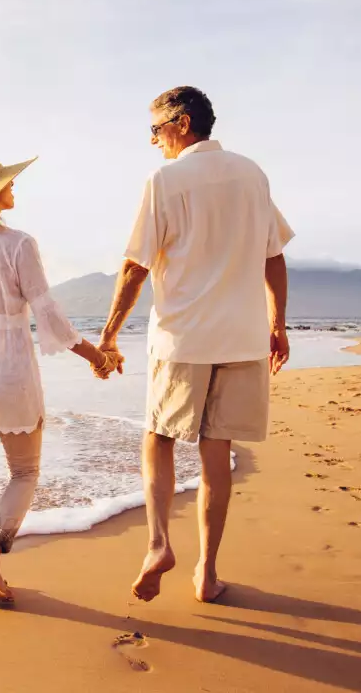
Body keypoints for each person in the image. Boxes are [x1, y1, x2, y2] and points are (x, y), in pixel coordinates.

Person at [96, 86, 293, 604]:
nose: (154, 141)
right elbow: (274, 256)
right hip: (244, 336)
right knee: (216, 451)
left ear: (182, 124)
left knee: (159, 438)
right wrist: (279, 325)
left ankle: (159, 544)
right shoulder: (253, 173)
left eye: (156, 130)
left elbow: (135, 264)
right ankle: (206, 573)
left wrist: (110, 332)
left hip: (183, 337)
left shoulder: (166, 178)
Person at [0, 151, 114, 606]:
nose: (14, 188)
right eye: (7, 183)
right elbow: (47, 312)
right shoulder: (19, 244)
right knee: (25, 472)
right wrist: (95, 355)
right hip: (10, 371)